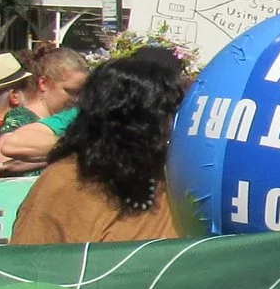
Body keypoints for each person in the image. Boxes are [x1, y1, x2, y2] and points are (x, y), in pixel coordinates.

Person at [10, 48, 189, 245]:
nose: (173, 126)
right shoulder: (63, 184)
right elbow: (28, 266)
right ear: (136, 122)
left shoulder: (175, 181)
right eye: (167, 114)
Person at [0, 47, 93, 175]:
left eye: (82, 92)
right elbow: (3, 159)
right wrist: (71, 152)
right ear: (43, 83)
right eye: (71, 91)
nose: (78, 99)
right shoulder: (21, 116)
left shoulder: (69, 119)